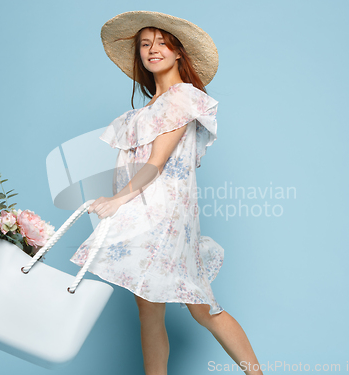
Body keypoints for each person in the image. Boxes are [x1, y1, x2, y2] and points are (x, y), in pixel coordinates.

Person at [70, 11, 263, 375]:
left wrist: (117, 200)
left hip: (163, 216)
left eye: (162, 43)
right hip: (141, 212)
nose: (152, 49)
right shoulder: (143, 112)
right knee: (149, 307)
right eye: (145, 44)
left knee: (201, 307)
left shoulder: (182, 99)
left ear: (178, 53)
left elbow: (157, 163)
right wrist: (122, 202)